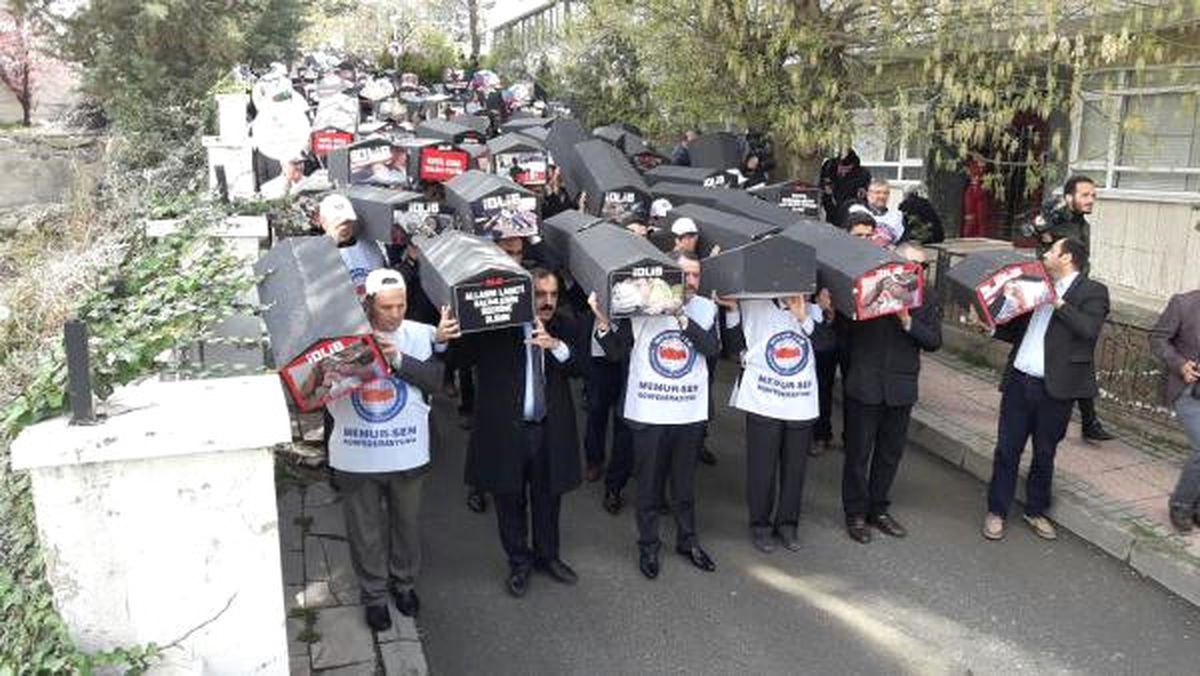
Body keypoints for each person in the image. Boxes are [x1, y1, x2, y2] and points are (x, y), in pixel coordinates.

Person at [326, 269, 459, 631]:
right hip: (357, 453)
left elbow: (436, 380)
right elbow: (317, 388)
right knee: (364, 531)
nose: (396, 313)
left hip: (406, 451)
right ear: (368, 304)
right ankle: (373, 596)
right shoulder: (340, 337)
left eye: (401, 305)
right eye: (387, 307)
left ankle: (404, 585)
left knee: (406, 525)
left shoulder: (418, 333)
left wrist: (398, 359)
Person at [592, 251, 721, 579]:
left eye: (695, 276)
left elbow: (711, 348)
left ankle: (687, 540)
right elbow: (618, 352)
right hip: (650, 410)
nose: (690, 282)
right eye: (684, 275)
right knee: (648, 486)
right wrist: (603, 325)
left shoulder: (706, 308)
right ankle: (648, 545)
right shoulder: (641, 307)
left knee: (684, 485)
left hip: (688, 412)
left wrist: (680, 316)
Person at [458, 268, 583, 597]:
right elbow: (461, 358)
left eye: (553, 295)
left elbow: (581, 368)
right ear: (523, 295)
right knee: (508, 499)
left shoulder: (564, 325)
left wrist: (555, 345)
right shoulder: (496, 327)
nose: (548, 302)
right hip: (506, 431)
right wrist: (453, 329)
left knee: (548, 497)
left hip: (548, 430)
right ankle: (519, 563)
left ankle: (548, 557)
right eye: (540, 295)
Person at [980, 238, 1109, 541]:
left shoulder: (1092, 291)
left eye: (1051, 251)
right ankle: (996, 511)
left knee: (1044, 452)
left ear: (1067, 258)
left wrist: (1057, 301)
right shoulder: (1034, 283)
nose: (1045, 255)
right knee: (1007, 450)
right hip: (1019, 381)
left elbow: (1089, 330)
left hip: (1056, 389)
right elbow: (1017, 329)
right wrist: (991, 326)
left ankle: (1035, 509)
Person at [841, 242, 942, 543]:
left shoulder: (927, 297)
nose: (919, 272)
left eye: (923, 268)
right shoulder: (868, 286)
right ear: (896, 263)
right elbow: (845, 334)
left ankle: (878, 509)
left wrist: (908, 321)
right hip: (865, 384)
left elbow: (934, 341)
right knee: (858, 454)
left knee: (889, 454)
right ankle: (855, 513)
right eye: (914, 266)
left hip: (901, 387)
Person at [718, 293, 825, 552]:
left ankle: (788, 525)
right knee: (761, 467)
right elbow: (733, 347)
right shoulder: (752, 304)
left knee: (795, 469)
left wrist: (803, 317)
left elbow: (826, 346)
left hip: (799, 400)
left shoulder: (813, 309)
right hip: (763, 398)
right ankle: (760, 525)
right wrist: (732, 310)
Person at [1038, 176, 1112, 443]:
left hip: (1079, 292)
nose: (1091, 200)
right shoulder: (1055, 218)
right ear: (1069, 197)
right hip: (1053, 293)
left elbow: (1083, 261)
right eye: (1085, 195)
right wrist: (1043, 226)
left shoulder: (1083, 225)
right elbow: (1028, 233)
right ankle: (1087, 421)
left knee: (1081, 353)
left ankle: (1089, 422)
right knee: (1069, 352)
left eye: (1093, 195)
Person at [1149, 288, 1200, 532]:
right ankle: (1180, 504)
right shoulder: (1183, 303)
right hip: (1187, 390)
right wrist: (1180, 365)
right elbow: (1158, 338)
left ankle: (1196, 506)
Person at [318, 194, 386, 297]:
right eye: (338, 223)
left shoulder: (369, 246)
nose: (344, 227)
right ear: (324, 222)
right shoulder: (316, 254)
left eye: (347, 221)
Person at [864, 179, 904, 244]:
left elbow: (902, 242)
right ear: (868, 195)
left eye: (885, 193)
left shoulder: (897, 217)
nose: (882, 196)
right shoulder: (859, 212)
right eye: (878, 192)